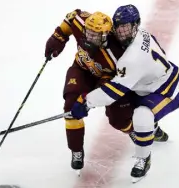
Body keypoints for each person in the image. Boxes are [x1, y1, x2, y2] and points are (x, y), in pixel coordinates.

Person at [44, 9, 168, 172]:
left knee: (118, 120)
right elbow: (71, 18)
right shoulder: (83, 23)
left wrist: (89, 98)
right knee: (70, 109)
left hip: (107, 81)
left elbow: (115, 84)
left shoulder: (119, 55)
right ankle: (76, 150)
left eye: (96, 35)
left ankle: (141, 128)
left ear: (105, 35)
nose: (90, 37)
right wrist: (58, 37)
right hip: (81, 70)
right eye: (88, 32)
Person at [70, 5, 179, 182]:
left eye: (126, 27)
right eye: (118, 26)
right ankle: (154, 129)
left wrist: (86, 102)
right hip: (142, 85)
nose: (121, 32)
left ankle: (143, 158)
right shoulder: (138, 34)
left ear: (135, 25)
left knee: (142, 116)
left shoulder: (133, 57)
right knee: (120, 117)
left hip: (164, 90)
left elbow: (114, 90)